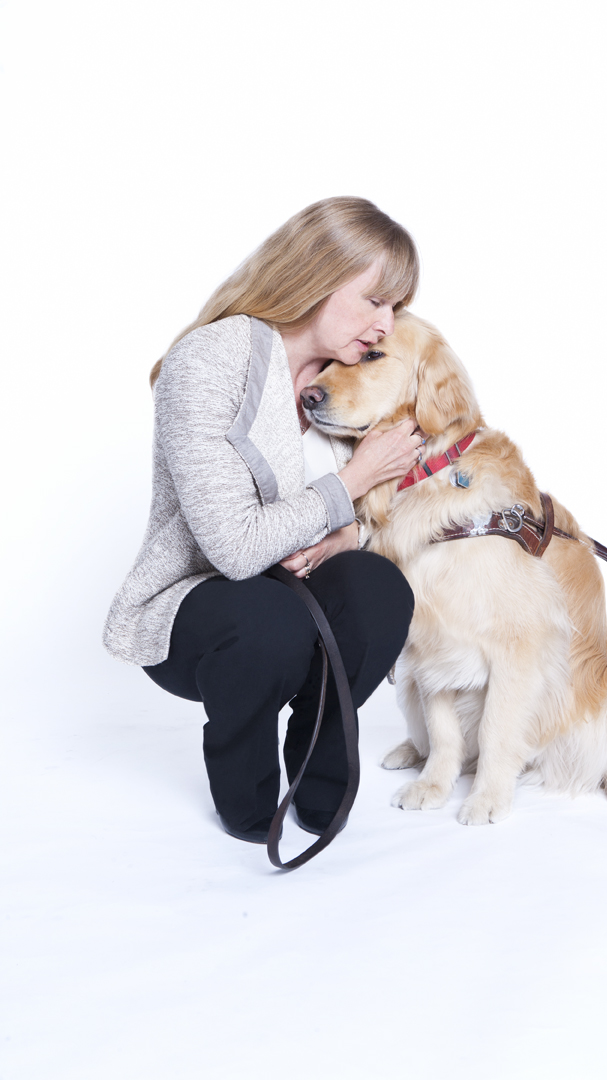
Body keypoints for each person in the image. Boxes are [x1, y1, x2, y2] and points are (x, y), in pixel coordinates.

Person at [103, 197, 423, 844]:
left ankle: (317, 765)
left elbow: (396, 514)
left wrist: (346, 536)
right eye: (375, 301)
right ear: (315, 275)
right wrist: (353, 481)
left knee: (379, 586)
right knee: (265, 615)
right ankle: (246, 795)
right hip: (201, 606)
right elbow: (235, 549)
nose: (387, 324)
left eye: (396, 306)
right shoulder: (213, 360)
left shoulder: (356, 373)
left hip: (300, 592)